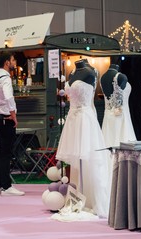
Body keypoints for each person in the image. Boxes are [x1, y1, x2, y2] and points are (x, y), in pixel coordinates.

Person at [56, 59, 110, 218]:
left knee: (88, 157)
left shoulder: (90, 72)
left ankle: (91, 198)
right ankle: (77, 195)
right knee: (76, 160)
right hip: (72, 120)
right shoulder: (72, 73)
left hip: (85, 120)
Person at [0, 51, 25, 196]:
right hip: (6, 119)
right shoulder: (6, 79)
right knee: (6, 153)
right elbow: (9, 97)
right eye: (13, 60)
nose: (15, 63)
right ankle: (7, 187)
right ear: (7, 62)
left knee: (0, 152)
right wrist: (13, 115)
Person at [100, 63, 136, 146]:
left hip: (108, 117)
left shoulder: (102, 78)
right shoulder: (121, 77)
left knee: (109, 143)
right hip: (120, 117)